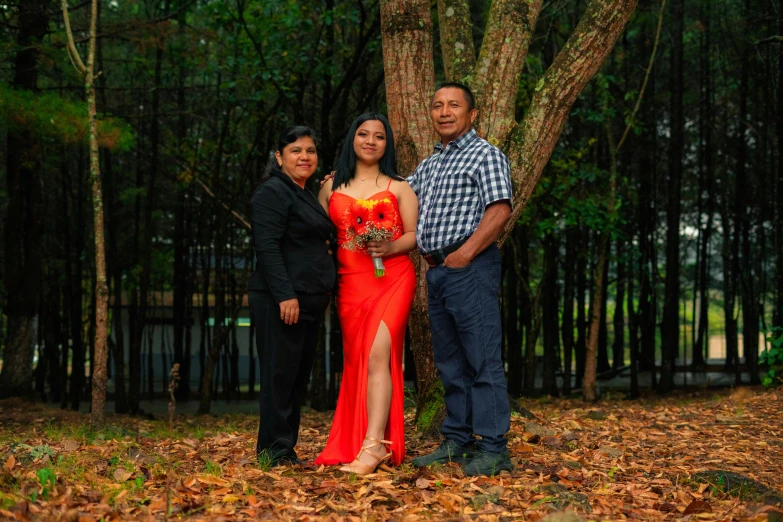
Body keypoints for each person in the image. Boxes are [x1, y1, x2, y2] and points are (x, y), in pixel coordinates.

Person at [409, 82, 514, 476]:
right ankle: (457, 440)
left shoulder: (485, 155)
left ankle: (494, 448)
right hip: (437, 273)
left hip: (470, 268)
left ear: (472, 115)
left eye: (454, 105)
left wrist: (465, 254)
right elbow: (400, 196)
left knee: (482, 358)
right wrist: (348, 179)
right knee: (450, 362)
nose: (444, 111)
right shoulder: (430, 164)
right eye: (437, 105)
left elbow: (500, 209)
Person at [314, 113, 418, 475]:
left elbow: (414, 237)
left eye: (379, 136)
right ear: (352, 140)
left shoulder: (400, 187)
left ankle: (374, 447)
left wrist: (388, 246)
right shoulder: (330, 187)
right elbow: (318, 236)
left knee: (378, 356)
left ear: (387, 144)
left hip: (392, 279)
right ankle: (356, 439)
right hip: (350, 283)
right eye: (363, 134)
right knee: (358, 360)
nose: (371, 141)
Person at [249, 125, 337, 467]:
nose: (304, 156)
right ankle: (273, 451)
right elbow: (267, 247)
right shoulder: (273, 192)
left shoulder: (303, 192)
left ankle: (284, 448)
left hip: (308, 301)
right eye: (296, 151)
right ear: (279, 157)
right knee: (279, 377)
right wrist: (285, 295)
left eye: (310, 151)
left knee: (295, 379)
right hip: (281, 302)